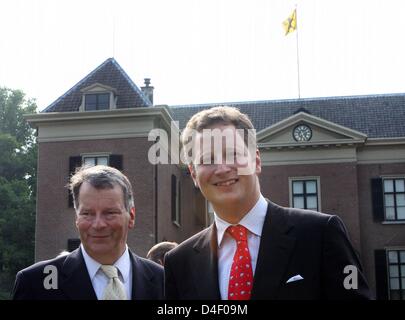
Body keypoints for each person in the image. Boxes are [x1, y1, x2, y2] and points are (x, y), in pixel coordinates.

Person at [164, 106, 372, 300]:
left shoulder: (322, 234)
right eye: (208, 159)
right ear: (193, 174)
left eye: (232, 154)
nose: (222, 168)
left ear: (256, 161)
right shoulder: (179, 262)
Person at [12, 165, 164, 300]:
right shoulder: (34, 283)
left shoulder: (164, 281)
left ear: (131, 216)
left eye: (109, 212)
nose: (98, 224)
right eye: (87, 214)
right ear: (77, 218)